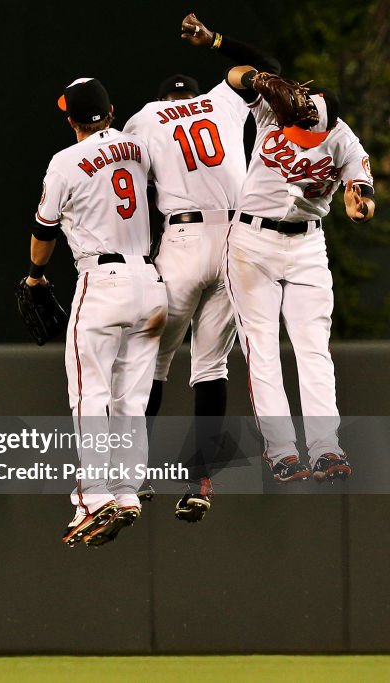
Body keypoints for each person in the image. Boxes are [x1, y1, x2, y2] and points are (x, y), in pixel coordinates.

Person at [122, 13, 280, 522]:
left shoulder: (147, 117)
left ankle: (133, 475)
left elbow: (126, 187)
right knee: (210, 367)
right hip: (237, 240)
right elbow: (269, 69)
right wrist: (215, 41)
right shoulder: (222, 99)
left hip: (183, 239)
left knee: (150, 361)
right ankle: (201, 479)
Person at [27, 77, 167, 546]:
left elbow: (43, 229)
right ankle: (127, 491)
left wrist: (34, 277)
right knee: (132, 398)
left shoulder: (65, 162)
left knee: (90, 394)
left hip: (102, 281)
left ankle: (93, 495)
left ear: (71, 119)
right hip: (150, 283)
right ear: (111, 112)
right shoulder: (139, 149)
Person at [223, 63, 376, 482]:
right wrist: (256, 80)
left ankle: (327, 449)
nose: (304, 138)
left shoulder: (343, 139)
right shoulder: (274, 112)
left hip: (308, 246)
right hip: (252, 243)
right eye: (300, 128)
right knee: (262, 348)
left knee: (314, 349)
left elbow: (363, 192)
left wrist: (358, 206)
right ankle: (282, 451)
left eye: (312, 133)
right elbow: (235, 72)